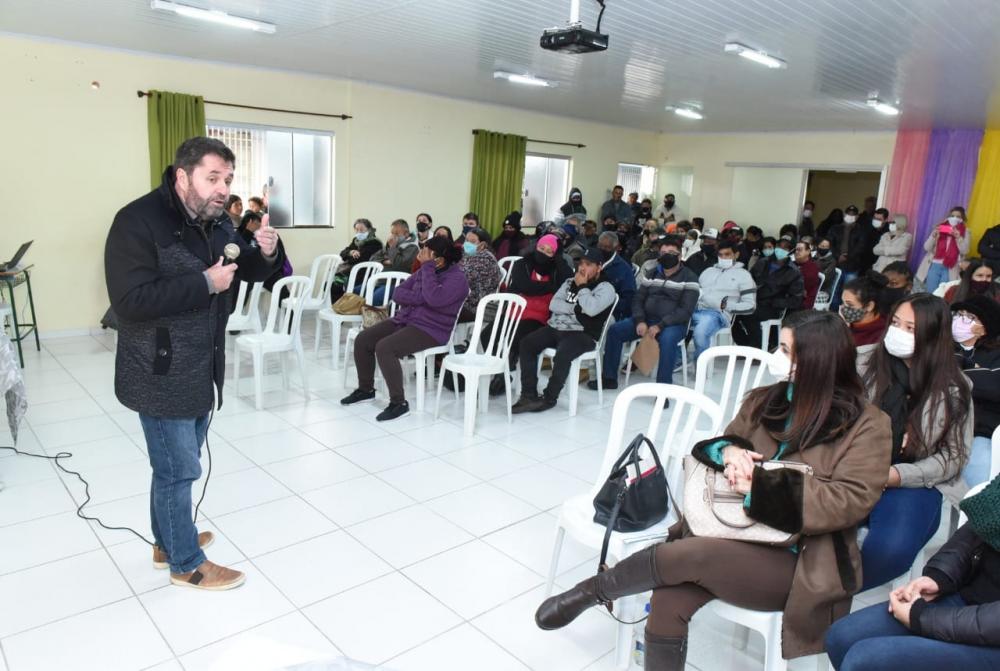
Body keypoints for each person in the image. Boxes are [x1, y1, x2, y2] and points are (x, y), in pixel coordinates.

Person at [536, 310, 892, 668]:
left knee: (689, 555)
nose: (778, 358)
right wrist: (732, 452)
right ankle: (597, 594)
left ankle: (592, 591)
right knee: (668, 598)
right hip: (729, 528)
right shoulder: (765, 399)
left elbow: (850, 501)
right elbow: (718, 443)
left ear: (817, 362)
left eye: (787, 351)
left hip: (800, 560)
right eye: (780, 347)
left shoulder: (867, 425)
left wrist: (761, 484)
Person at [105, 136, 282, 590]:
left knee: (173, 464)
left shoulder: (216, 220)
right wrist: (203, 283)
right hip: (159, 369)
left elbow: (243, 271)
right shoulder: (137, 221)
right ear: (183, 176)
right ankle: (185, 562)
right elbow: (129, 301)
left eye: (227, 179)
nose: (223, 189)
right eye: (212, 178)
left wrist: (264, 251)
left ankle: (167, 539)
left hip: (202, 365)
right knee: (178, 469)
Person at [825, 476, 1000, 670]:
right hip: (969, 598)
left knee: (865, 661)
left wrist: (922, 617)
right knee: (841, 636)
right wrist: (939, 577)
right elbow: (977, 529)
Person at [858, 294, 973, 590]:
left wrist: (896, 475)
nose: (898, 332)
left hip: (912, 480)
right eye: (896, 323)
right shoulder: (862, 362)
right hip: (854, 468)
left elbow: (954, 456)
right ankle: (811, 588)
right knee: (812, 526)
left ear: (933, 336)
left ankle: (836, 592)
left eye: (911, 328)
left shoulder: (954, 387)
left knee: (891, 550)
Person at [340, 236, 469, 421]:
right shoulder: (426, 271)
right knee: (363, 339)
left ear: (439, 258)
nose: (421, 255)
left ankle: (399, 403)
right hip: (406, 319)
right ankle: (365, 389)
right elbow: (398, 293)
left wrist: (427, 270)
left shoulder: (457, 279)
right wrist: (421, 297)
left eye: (426, 252)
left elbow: (435, 299)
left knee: (385, 347)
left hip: (432, 329)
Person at [512, 248, 616, 413]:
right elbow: (554, 304)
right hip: (557, 326)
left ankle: (549, 398)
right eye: (580, 263)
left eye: (588, 264)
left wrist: (582, 288)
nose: (582, 268)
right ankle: (528, 395)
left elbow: (591, 309)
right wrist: (576, 308)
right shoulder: (569, 282)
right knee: (527, 343)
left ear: (599, 267)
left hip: (584, 334)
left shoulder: (606, 288)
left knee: (563, 353)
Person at [592, 236, 699, 394]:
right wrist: (640, 320)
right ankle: (609, 378)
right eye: (663, 252)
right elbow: (638, 299)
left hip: (672, 324)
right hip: (646, 319)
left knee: (667, 340)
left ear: (679, 255)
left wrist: (660, 325)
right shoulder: (652, 273)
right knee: (615, 331)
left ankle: (663, 391)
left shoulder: (690, 277)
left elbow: (686, 310)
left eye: (671, 252)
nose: (666, 255)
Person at [485, 234, 573, 395]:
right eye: (541, 248)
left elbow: (568, 282)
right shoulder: (522, 264)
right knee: (487, 334)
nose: (543, 253)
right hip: (514, 311)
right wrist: (550, 287)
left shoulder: (557, 269)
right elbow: (525, 286)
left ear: (555, 254)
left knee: (517, 336)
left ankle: (504, 373)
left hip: (539, 317)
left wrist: (560, 262)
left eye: (549, 251)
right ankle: (500, 373)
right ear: (535, 247)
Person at [951, 295, 1000, 486]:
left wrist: (960, 371)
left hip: (979, 434)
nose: (961, 319)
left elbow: (994, 387)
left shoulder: (995, 354)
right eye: (960, 314)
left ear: (985, 328)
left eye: (970, 317)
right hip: (941, 430)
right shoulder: (946, 347)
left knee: (980, 480)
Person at [691, 239, 756, 362]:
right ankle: (678, 359)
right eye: (720, 255)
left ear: (736, 255)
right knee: (670, 321)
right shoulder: (708, 272)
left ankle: (700, 367)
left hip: (717, 314)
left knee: (701, 331)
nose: (723, 258)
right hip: (695, 308)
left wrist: (724, 305)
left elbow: (750, 306)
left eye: (727, 254)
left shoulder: (743, 275)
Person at [734, 239, 804, 349]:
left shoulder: (793, 272)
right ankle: (747, 345)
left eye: (785, 248)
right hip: (754, 299)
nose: (780, 250)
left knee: (749, 313)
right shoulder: (763, 262)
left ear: (791, 251)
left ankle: (757, 347)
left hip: (773, 306)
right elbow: (748, 279)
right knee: (732, 314)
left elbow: (796, 300)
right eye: (779, 247)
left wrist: (774, 302)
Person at [840, 272, 891, 369]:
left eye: (850, 305)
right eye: (842, 302)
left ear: (869, 306)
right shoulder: (849, 324)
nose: (843, 308)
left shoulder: (880, 337)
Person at [917, 207, 971, 294]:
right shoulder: (939, 228)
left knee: (943, 293)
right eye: (952, 216)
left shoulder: (965, 231)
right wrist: (934, 236)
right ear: (948, 217)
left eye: (958, 216)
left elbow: (965, 251)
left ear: (962, 219)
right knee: (930, 292)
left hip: (951, 267)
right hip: (934, 265)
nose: (954, 218)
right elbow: (926, 248)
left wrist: (958, 237)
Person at [237, 211, 291, 298]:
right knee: (240, 285)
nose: (261, 225)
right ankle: (237, 310)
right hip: (248, 271)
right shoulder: (239, 235)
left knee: (281, 290)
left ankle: (289, 310)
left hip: (270, 271)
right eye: (258, 222)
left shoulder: (268, 235)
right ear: (250, 222)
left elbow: (280, 255)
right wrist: (248, 232)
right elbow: (239, 255)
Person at [331, 219, 383, 300]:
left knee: (335, 287)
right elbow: (342, 253)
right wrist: (351, 252)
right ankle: (338, 308)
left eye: (361, 230)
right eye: (357, 230)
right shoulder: (356, 241)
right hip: (352, 271)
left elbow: (359, 259)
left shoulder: (374, 243)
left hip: (363, 274)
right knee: (330, 284)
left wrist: (349, 256)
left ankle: (343, 308)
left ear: (369, 230)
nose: (359, 232)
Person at [458, 227, 501, 321]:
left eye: (472, 241)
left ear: (482, 245)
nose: (467, 244)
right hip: (466, 302)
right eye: (466, 240)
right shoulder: (470, 255)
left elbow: (460, 280)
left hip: (476, 307)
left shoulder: (485, 259)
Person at [596, 231, 637, 320]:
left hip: (609, 311)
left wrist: (607, 303)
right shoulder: (591, 260)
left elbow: (629, 299)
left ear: (616, 248)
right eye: (600, 246)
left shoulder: (624, 270)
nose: (602, 249)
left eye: (607, 247)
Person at [793, 239, 821, 309]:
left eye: (799, 250)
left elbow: (801, 289)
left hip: (802, 303)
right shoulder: (793, 264)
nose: (796, 252)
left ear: (808, 252)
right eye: (795, 250)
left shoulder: (812, 268)